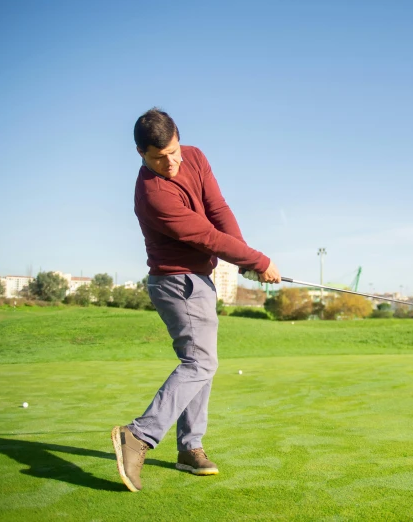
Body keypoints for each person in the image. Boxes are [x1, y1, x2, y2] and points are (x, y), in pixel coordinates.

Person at [112, 108, 280, 492]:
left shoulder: (196, 156)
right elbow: (205, 235)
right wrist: (259, 261)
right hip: (176, 282)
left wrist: (243, 258)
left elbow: (218, 209)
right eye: (158, 157)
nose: (170, 163)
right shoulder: (152, 194)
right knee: (201, 361)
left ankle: (190, 447)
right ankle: (138, 435)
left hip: (198, 278)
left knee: (201, 363)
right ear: (140, 153)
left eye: (174, 152)